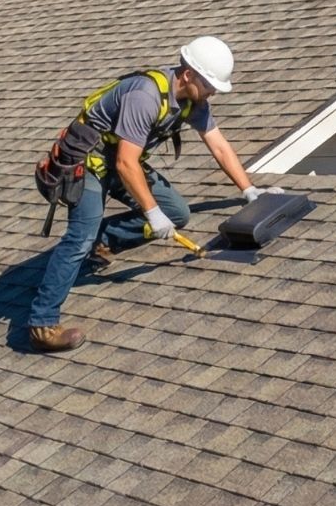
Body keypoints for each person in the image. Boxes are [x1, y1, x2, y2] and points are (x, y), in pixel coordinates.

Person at [26, 36, 275, 353]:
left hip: (119, 160)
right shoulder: (145, 96)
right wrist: (151, 214)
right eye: (210, 84)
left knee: (178, 214)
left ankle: (104, 240)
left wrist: (249, 189)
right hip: (87, 161)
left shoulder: (193, 102)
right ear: (187, 75)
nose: (213, 92)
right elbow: (126, 164)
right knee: (79, 238)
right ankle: (41, 324)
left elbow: (219, 144)